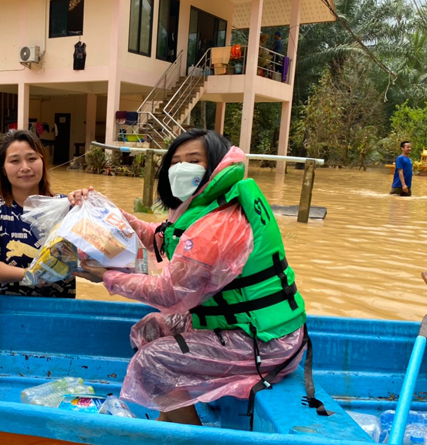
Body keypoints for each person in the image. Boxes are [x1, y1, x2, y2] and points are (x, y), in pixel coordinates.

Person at [69, 129, 308, 425]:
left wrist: (109, 277)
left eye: (193, 160)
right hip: (246, 327)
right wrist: (104, 210)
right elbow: (158, 237)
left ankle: (184, 433)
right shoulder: (207, 205)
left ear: (215, 165)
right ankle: (173, 413)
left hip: (265, 342)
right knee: (148, 330)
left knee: (152, 360)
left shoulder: (220, 224)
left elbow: (171, 294)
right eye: (175, 161)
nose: (181, 168)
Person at [0, 129, 76, 298]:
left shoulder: (66, 207)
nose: (25, 168)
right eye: (15, 161)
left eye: (32, 159)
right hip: (7, 311)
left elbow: (94, 263)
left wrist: (88, 206)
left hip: (60, 310)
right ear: (3, 168)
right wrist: (31, 275)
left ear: (43, 161)